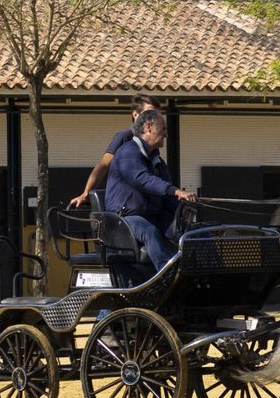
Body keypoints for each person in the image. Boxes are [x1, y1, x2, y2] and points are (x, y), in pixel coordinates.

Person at [104, 109, 195, 269]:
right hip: (125, 217)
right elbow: (143, 180)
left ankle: (205, 270)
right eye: (163, 129)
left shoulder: (157, 161)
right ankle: (166, 275)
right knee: (150, 232)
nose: (166, 134)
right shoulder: (127, 152)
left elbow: (167, 196)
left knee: (191, 232)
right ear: (148, 127)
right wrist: (176, 191)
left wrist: (182, 211)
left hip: (153, 215)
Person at [70, 94, 160, 209]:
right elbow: (103, 165)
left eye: (156, 114)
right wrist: (86, 194)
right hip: (125, 206)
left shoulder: (152, 142)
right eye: (149, 113)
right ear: (135, 114)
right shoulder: (125, 137)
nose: (153, 118)